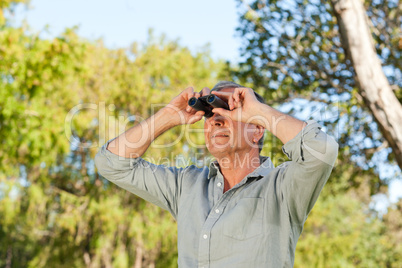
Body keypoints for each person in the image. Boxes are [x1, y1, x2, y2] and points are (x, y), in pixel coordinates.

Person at [94, 81, 338, 267]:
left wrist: (258, 110)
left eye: (230, 111)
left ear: (257, 131)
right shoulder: (186, 186)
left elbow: (321, 150)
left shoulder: (283, 188)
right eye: (209, 114)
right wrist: (168, 116)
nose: (216, 120)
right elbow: (111, 163)